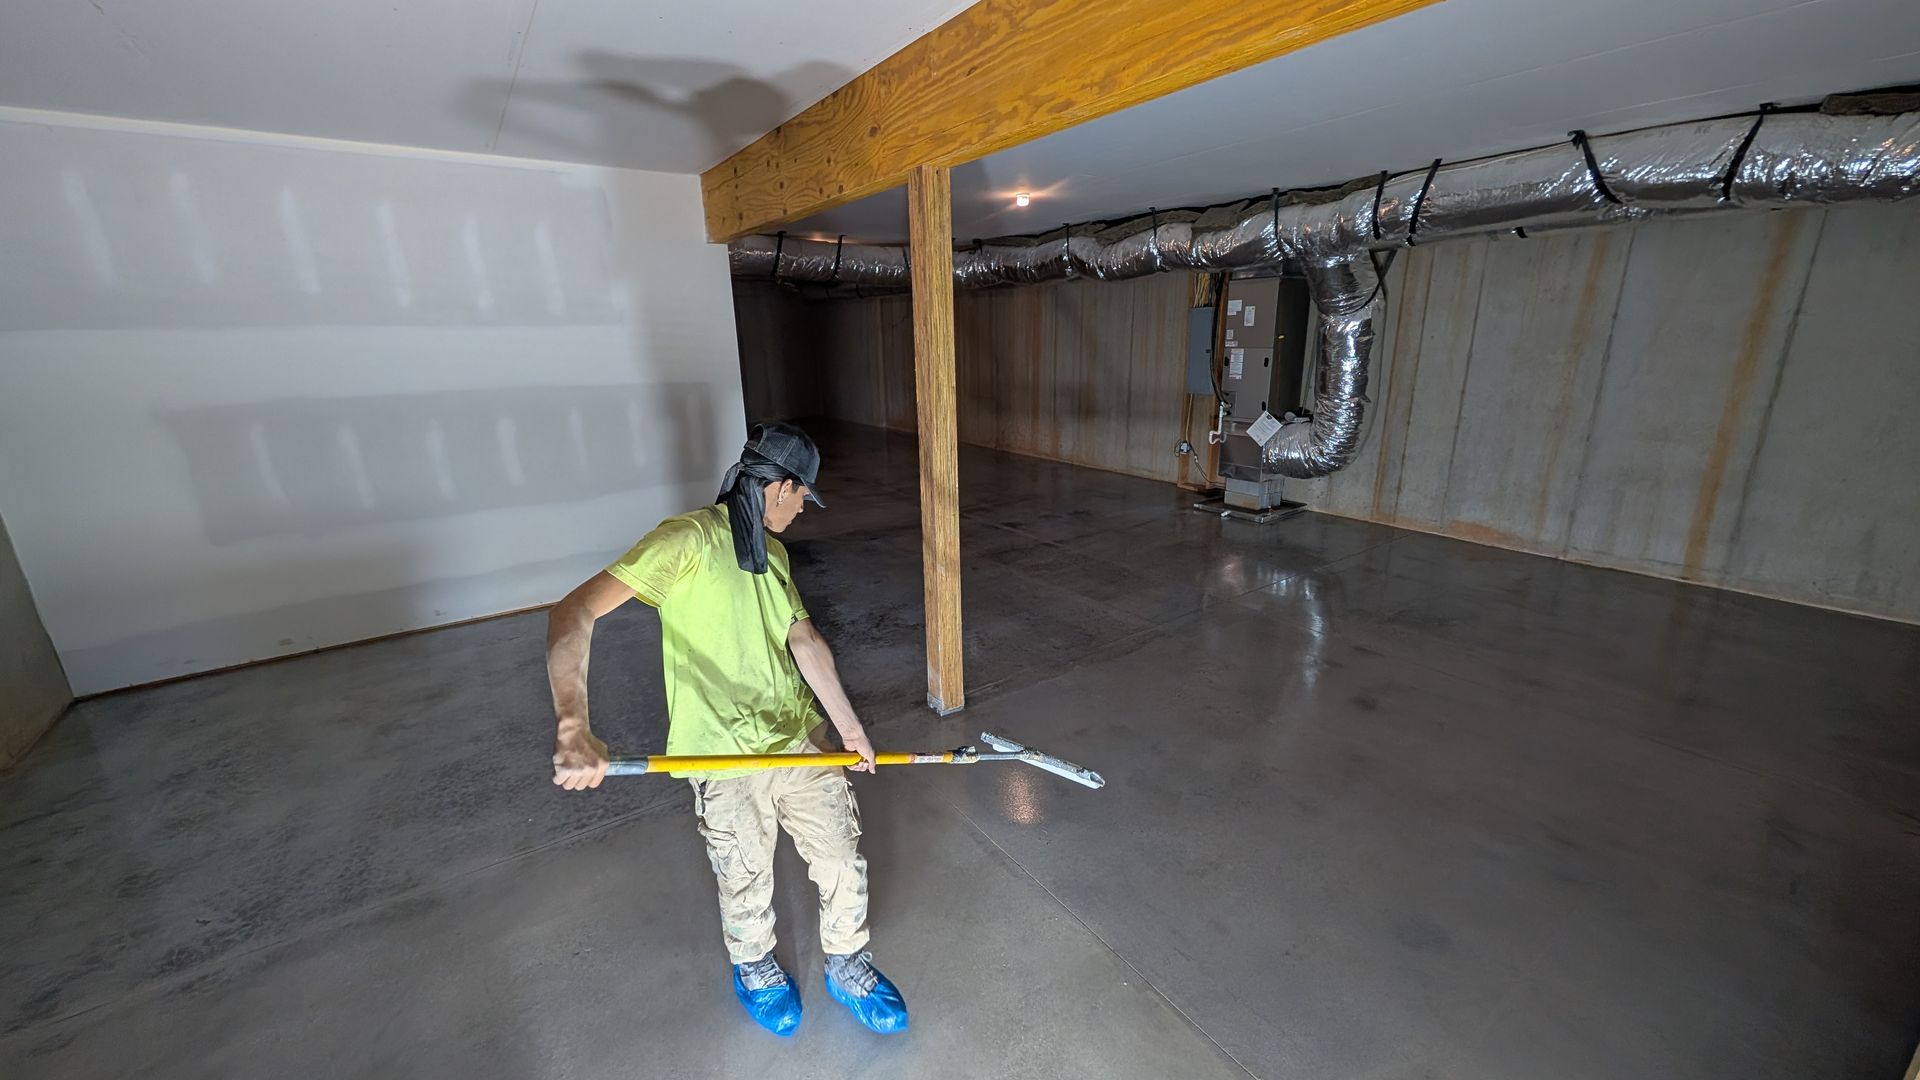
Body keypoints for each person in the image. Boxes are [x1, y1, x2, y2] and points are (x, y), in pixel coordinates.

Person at [544, 422, 908, 1038]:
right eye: (801, 498)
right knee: (744, 874)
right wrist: (573, 725)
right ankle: (754, 967)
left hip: (793, 736)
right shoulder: (686, 539)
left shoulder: (775, 553)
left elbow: (803, 639)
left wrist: (848, 731)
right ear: (783, 487)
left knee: (842, 855)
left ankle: (847, 963)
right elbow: (572, 611)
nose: (800, 512)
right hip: (720, 754)